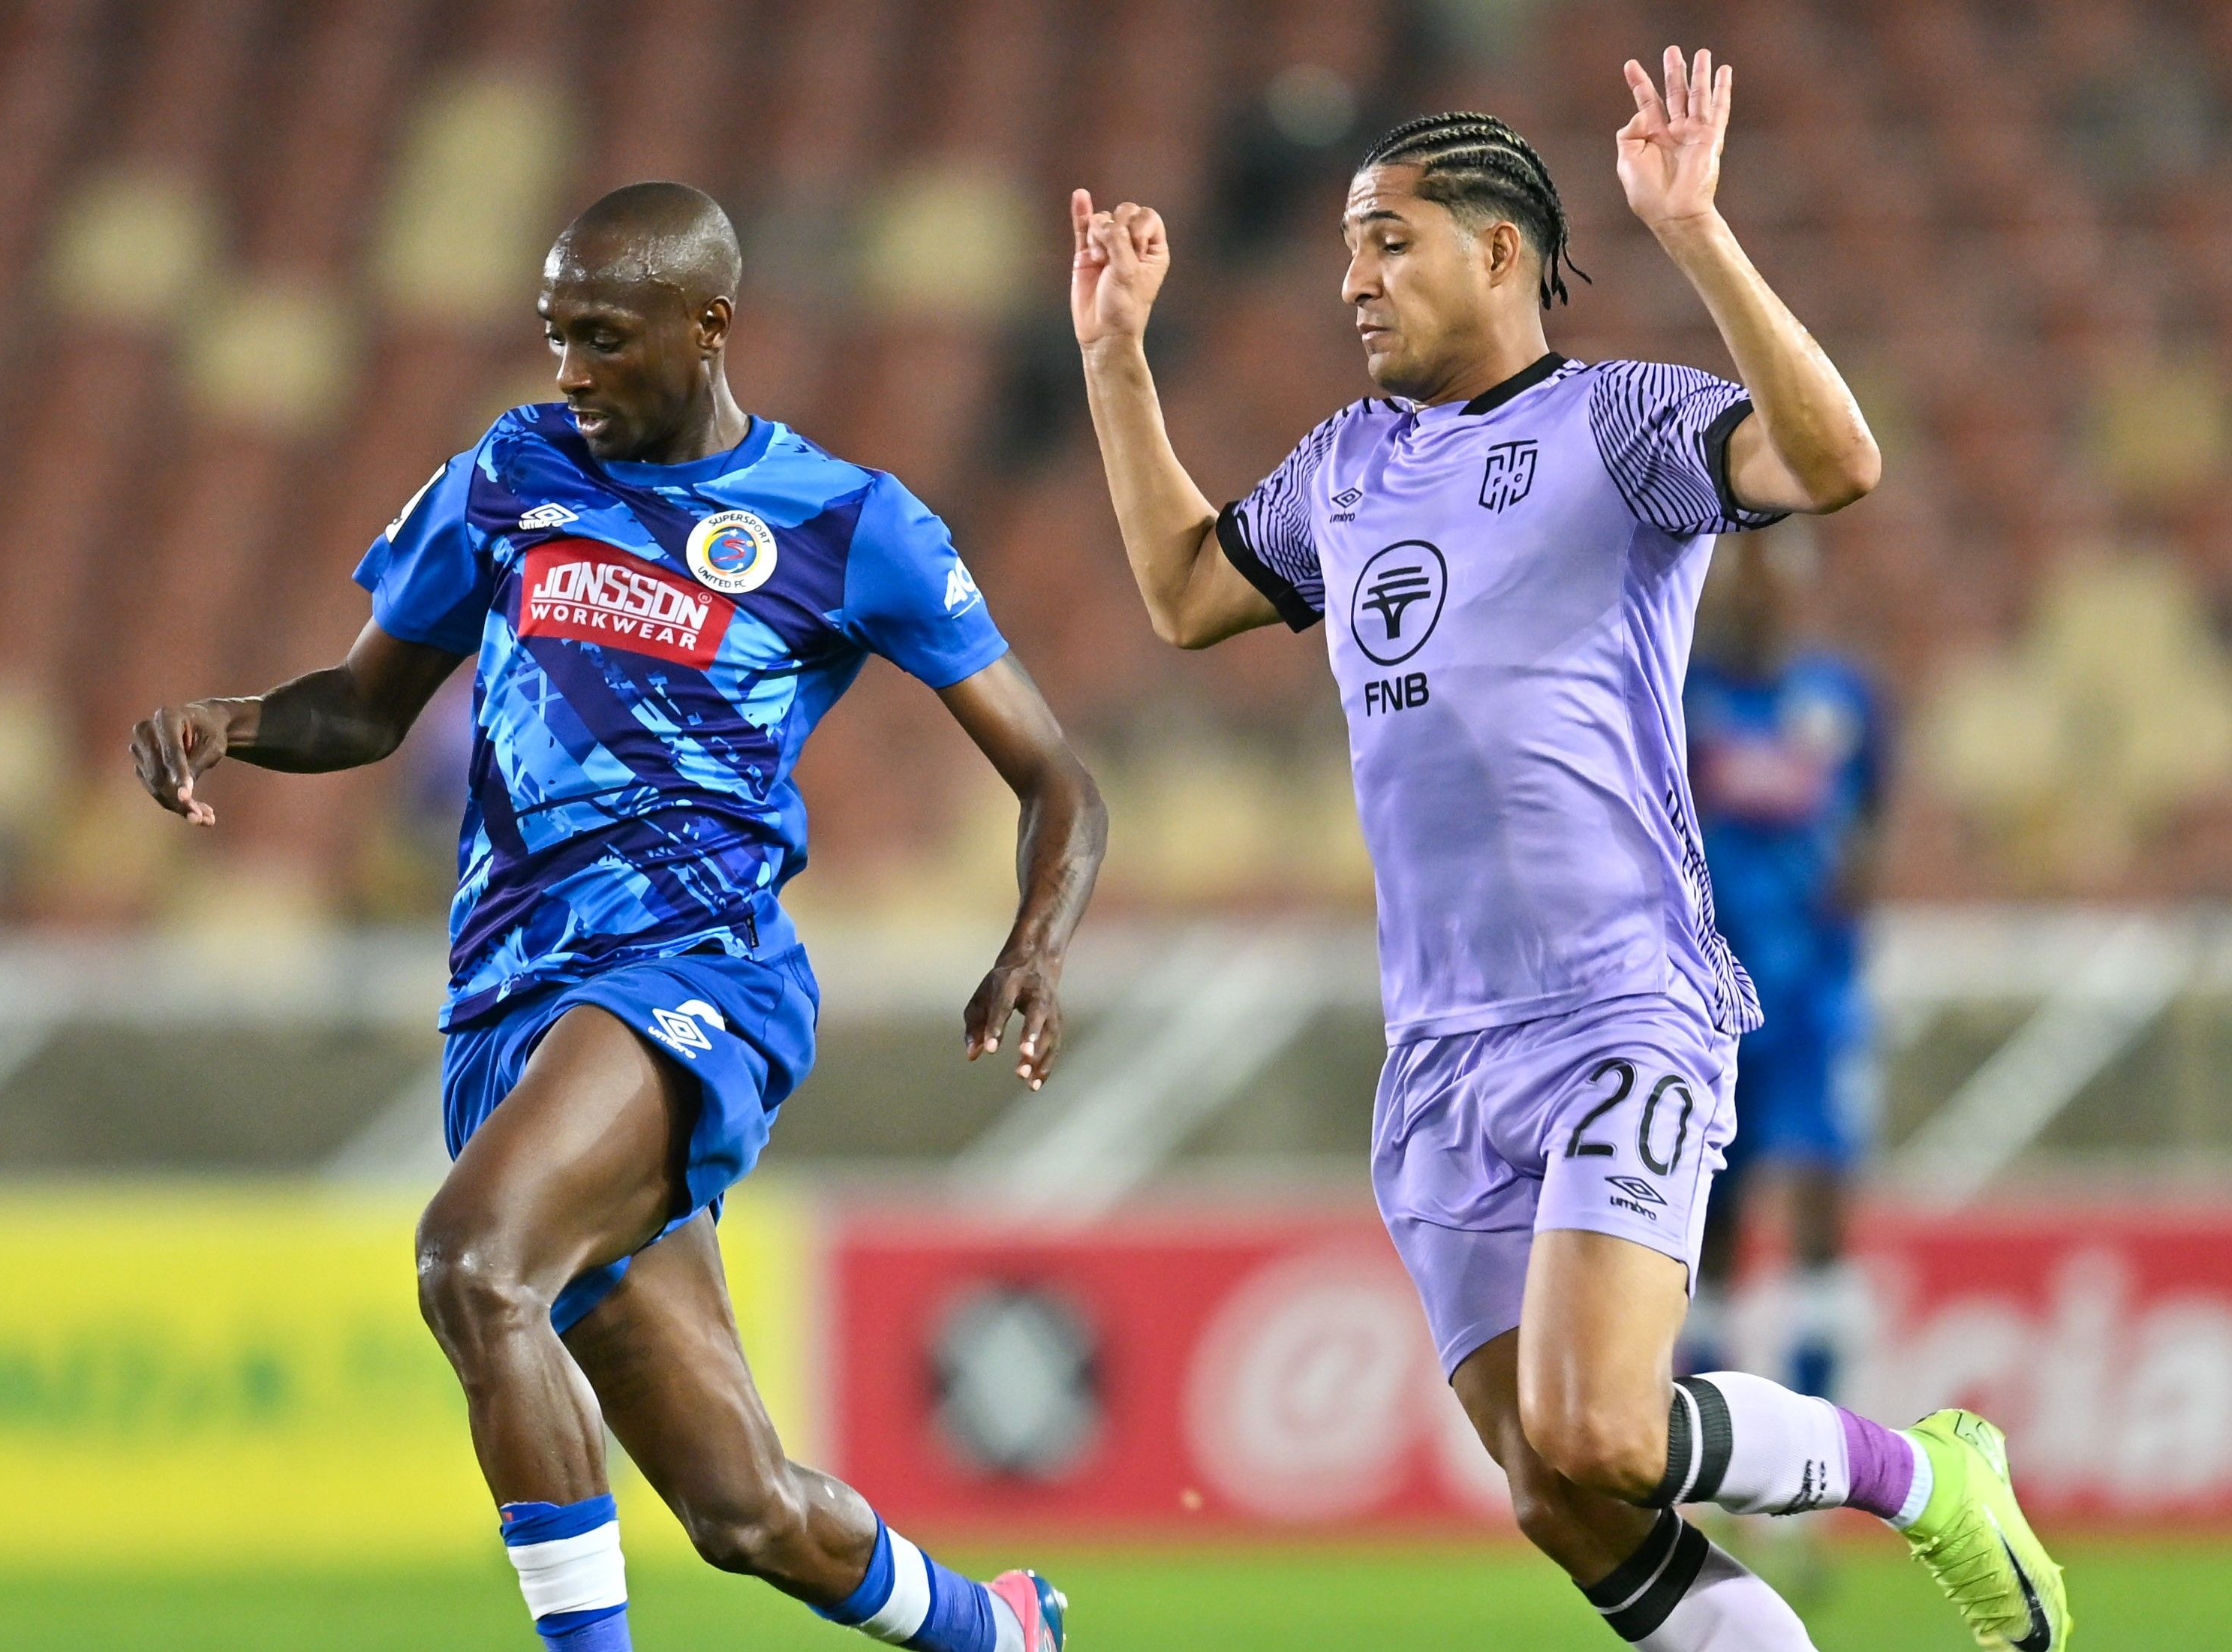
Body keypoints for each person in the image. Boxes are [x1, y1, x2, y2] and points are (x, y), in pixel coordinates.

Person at [1070, 47, 2064, 1652]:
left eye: (1385, 241)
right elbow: (1188, 596)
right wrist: (1116, 357)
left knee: (1602, 1423)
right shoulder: (1344, 464)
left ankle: (1921, 1469)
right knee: (1559, 1487)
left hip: (1618, 1006)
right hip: (1437, 1051)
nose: (1351, 282)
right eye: (1344, 249)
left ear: (1497, 253)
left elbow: (1834, 463)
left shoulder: (1619, 424)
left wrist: (1693, 230)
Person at [133, 182, 1097, 1652]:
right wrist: (236, 720)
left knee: (473, 1263)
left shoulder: (847, 523)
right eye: (554, 334)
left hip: (691, 977)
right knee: (742, 1510)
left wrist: (1033, 941)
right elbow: (364, 708)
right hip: (507, 1007)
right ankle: (1000, 1629)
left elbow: (1056, 777)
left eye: (602, 336)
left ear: (707, 325)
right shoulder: (511, 472)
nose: (570, 370)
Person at [1681, 522, 1883, 1406]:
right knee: (1707, 1228)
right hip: (1708, 1005)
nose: (1756, 593)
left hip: (1811, 1004)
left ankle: (1822, 1436)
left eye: (1773, 575)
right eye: (1742, 575)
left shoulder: (1843, 699)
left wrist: (1850, 898)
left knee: (1817, 1208)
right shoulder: (1682, 696)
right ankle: (1700, 1437)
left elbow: (1870, 819)